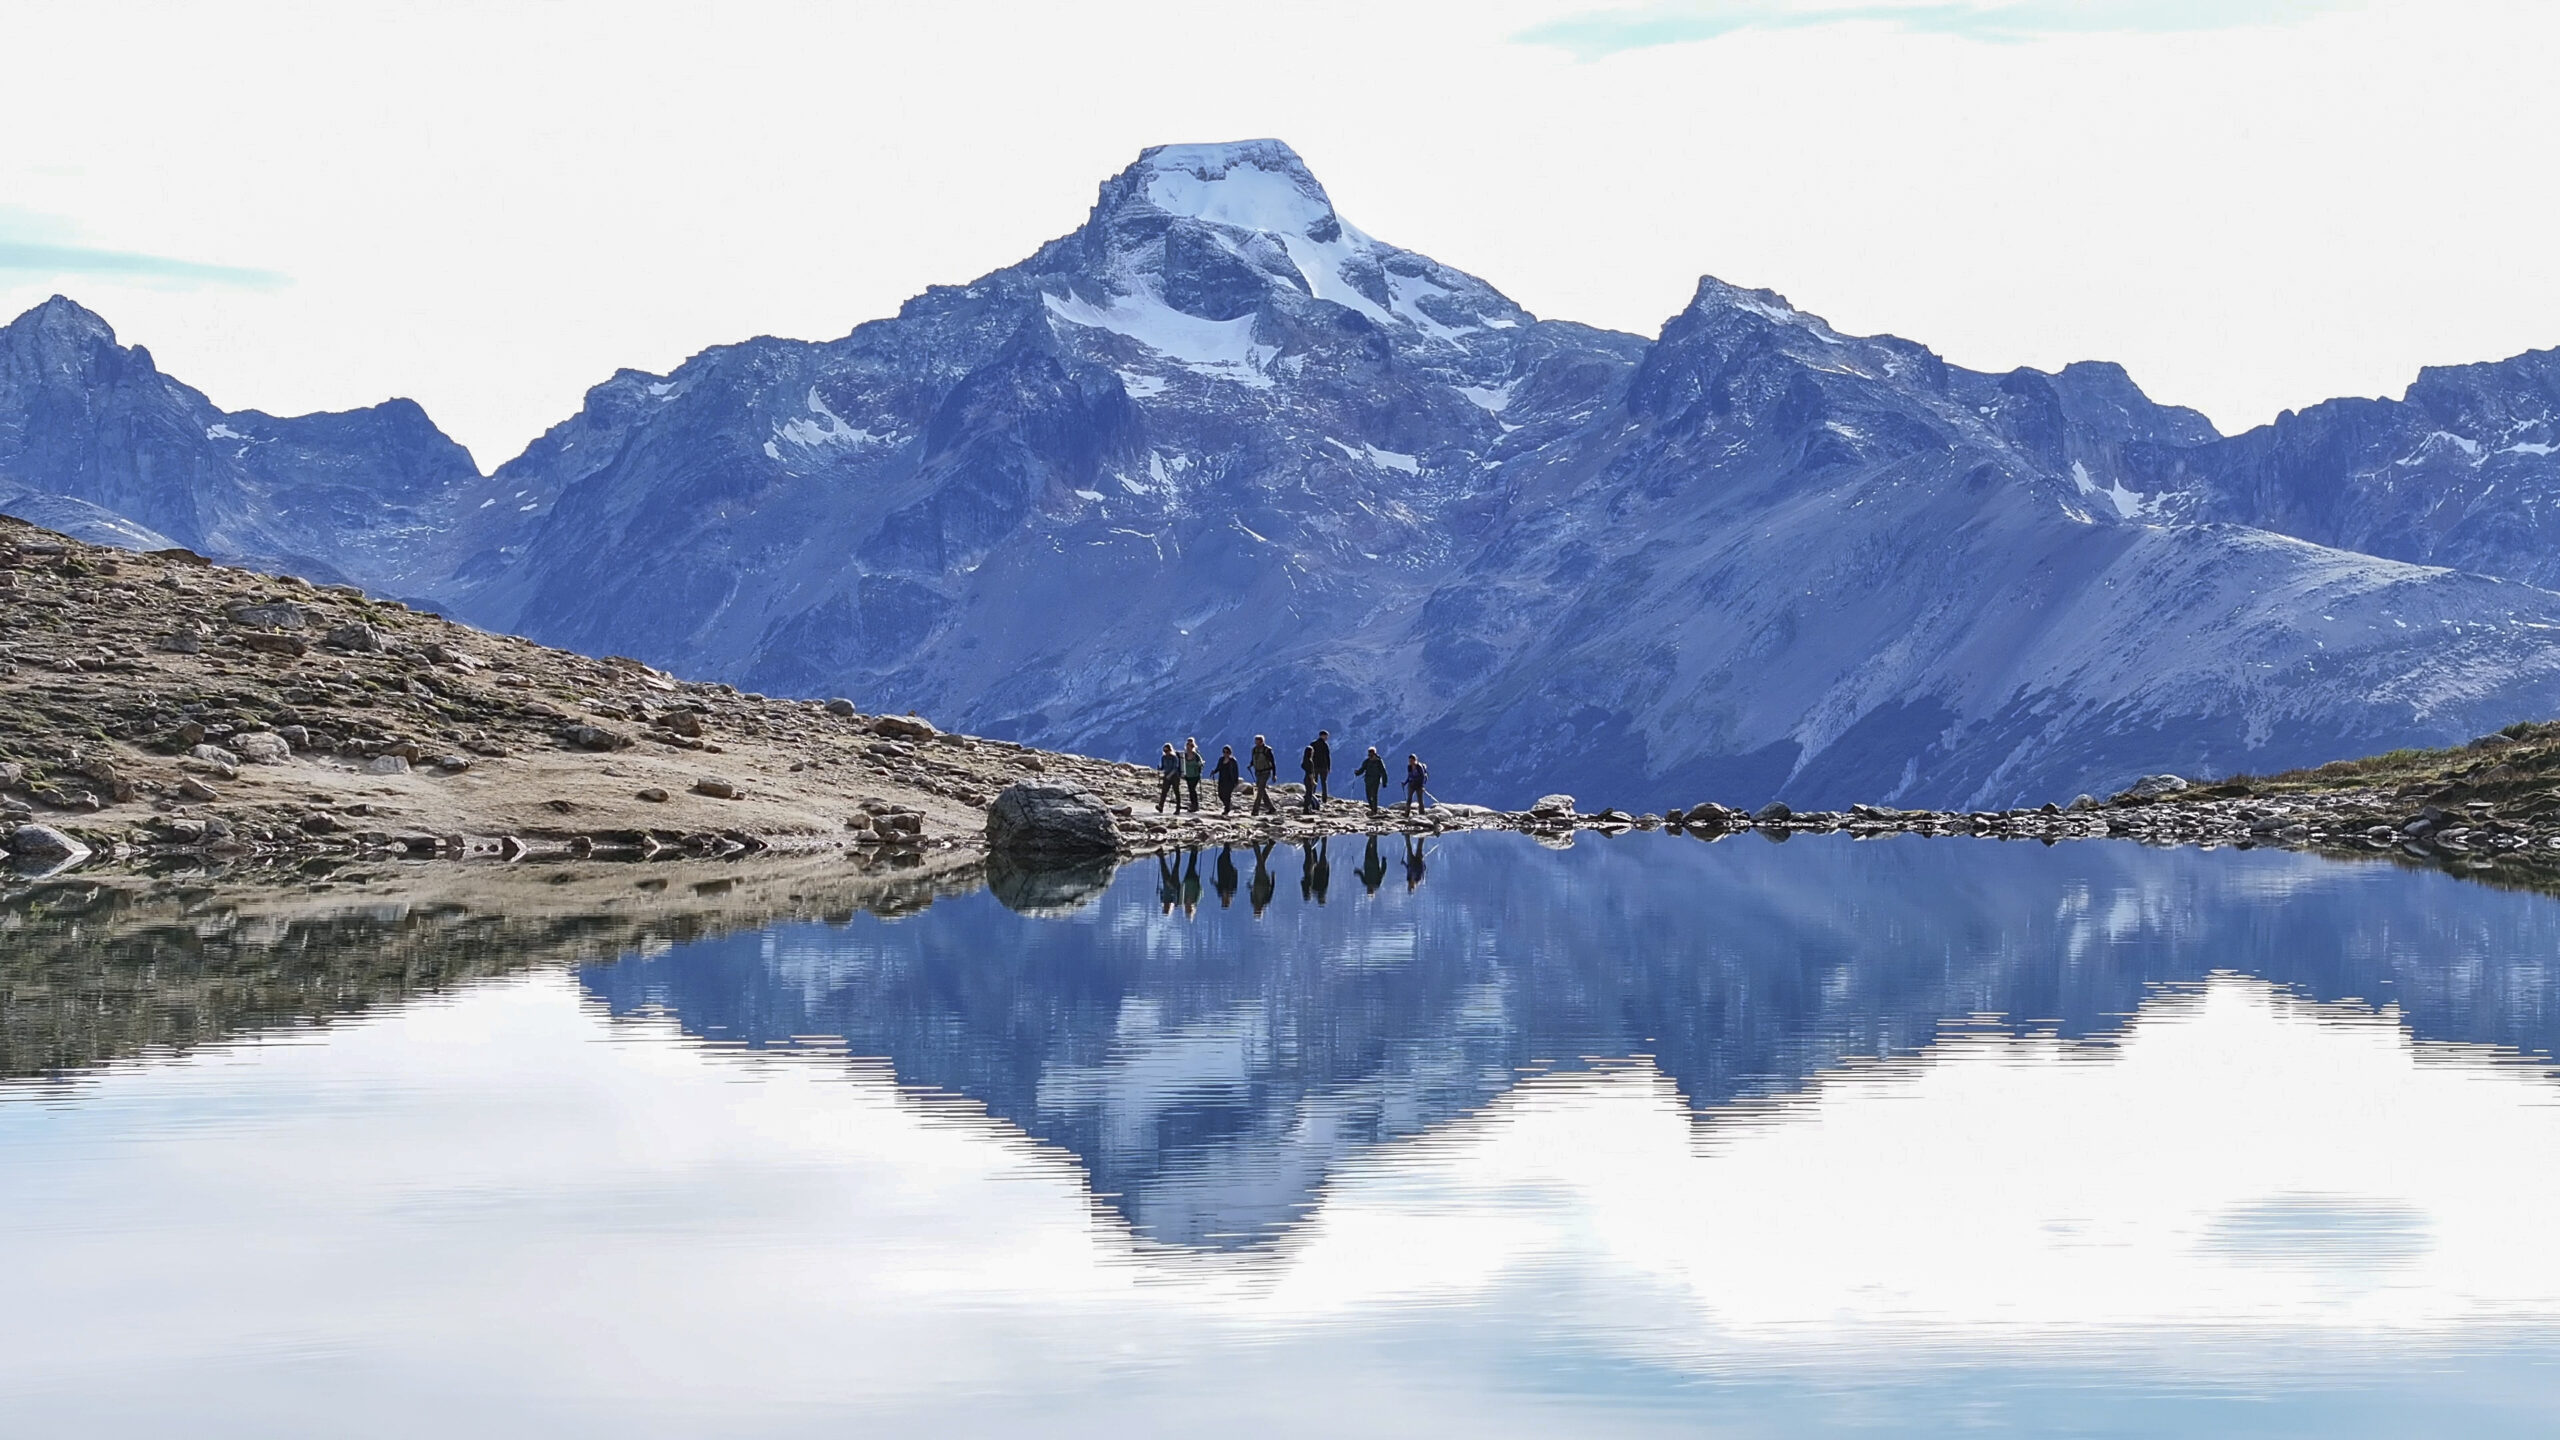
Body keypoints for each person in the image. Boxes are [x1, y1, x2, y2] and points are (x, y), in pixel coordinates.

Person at [1356, 746, 1390, 814]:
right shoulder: (1367, 761)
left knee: (1374, 795)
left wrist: (1384, 782)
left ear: (1374, 753)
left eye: (1371, 754)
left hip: (1376, 781)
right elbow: (1362, 769)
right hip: (1368, 781)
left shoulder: (1379, 762)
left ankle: (1374, 810)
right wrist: (1357, 773)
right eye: (1369, 754)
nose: (1370, 756)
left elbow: (1383, 772)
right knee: (1368, 795)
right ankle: (1372, 808)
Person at [1249, 734, 1278, 814]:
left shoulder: (1267, 750)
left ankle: (1255, 810)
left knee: (1260, 791)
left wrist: (1274, 774)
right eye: (1256, 742)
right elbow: (1254, 759)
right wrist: (1251, 765)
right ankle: (1271, 808)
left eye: (1258, 742)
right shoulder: (1254, 750)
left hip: (1266, 772)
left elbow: (1272, 763)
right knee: (1261, 791)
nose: (1256, 744)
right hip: (1257, 772)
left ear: (1262, 742)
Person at [1249, 841, 1277, 916]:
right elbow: (1272, 890)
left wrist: (1250, 886)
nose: (1257, 909)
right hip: (1264, 881)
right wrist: (1273, 878)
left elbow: (1251, 892)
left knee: (1261, 862)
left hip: (1257, 880)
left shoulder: (1253, 901)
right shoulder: (1266, 901)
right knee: (1260, 863)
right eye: (1258, 911)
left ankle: (1270, 844)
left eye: (1256, 911)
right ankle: (1255, 845)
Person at [1214, 744, 1242, 815]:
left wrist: (1236, 781)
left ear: (1230, 752)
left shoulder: (1233, 761)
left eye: (1227, 752)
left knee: (1227, 795)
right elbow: (1218, 767)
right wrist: (1214, 771)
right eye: (1224, 752)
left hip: (1230, 781)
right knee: (1220, 794)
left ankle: (1227, 809)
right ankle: (1228, 805)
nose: (1225, 753)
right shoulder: (1221, 759)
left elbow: (1236, 771)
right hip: (1222, 780)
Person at [1155, 742, 1181, 813]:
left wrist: (1169, 775)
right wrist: (1160, 769)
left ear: (1170, 750)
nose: (1165, 752)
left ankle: (1178, 808)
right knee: (1164, 791)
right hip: (1167, 776)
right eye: (1164, 751)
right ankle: (1161, 806)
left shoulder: (1174, 758)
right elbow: (1163, 767)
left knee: (1176, 791)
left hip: (1174, 776)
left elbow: (1175, 768)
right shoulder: (1163, 758)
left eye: (1166, 751)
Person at [1182, 737, 1204, 813]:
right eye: (1188, 745)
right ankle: (1194, 805)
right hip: (1187, 775)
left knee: (1192, 789)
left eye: (1191, 745)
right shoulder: (1183, 756)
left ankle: (1195, 805)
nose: (1189, 747)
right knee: (1191, 790)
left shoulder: (1196, 756)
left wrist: (1199, 766)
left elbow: (1201, 764)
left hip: (1195, 776)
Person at [1311, 730, 1334, 802]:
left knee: (1314, 781)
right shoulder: (1325, 745)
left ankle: (1312, 795)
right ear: (1322, 736)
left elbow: (1310, 756)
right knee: (1324, 782)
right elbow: (1328, 756)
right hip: (1323, 767)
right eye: (1326, 736)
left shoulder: (1313, 744)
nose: (1327, 738)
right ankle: (1324, 798)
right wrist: (1329, 767)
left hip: (1314, 766)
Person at [1299, 741, 1321, 812]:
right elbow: (1310, 773)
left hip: (1305, 778)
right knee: (1309, 794)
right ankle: (1307, 809)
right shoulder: (1310, 762)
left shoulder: (1305, 761)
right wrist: (1313, 781)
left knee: (1308, 794)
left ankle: (1307, 808)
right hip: (1309, 779)